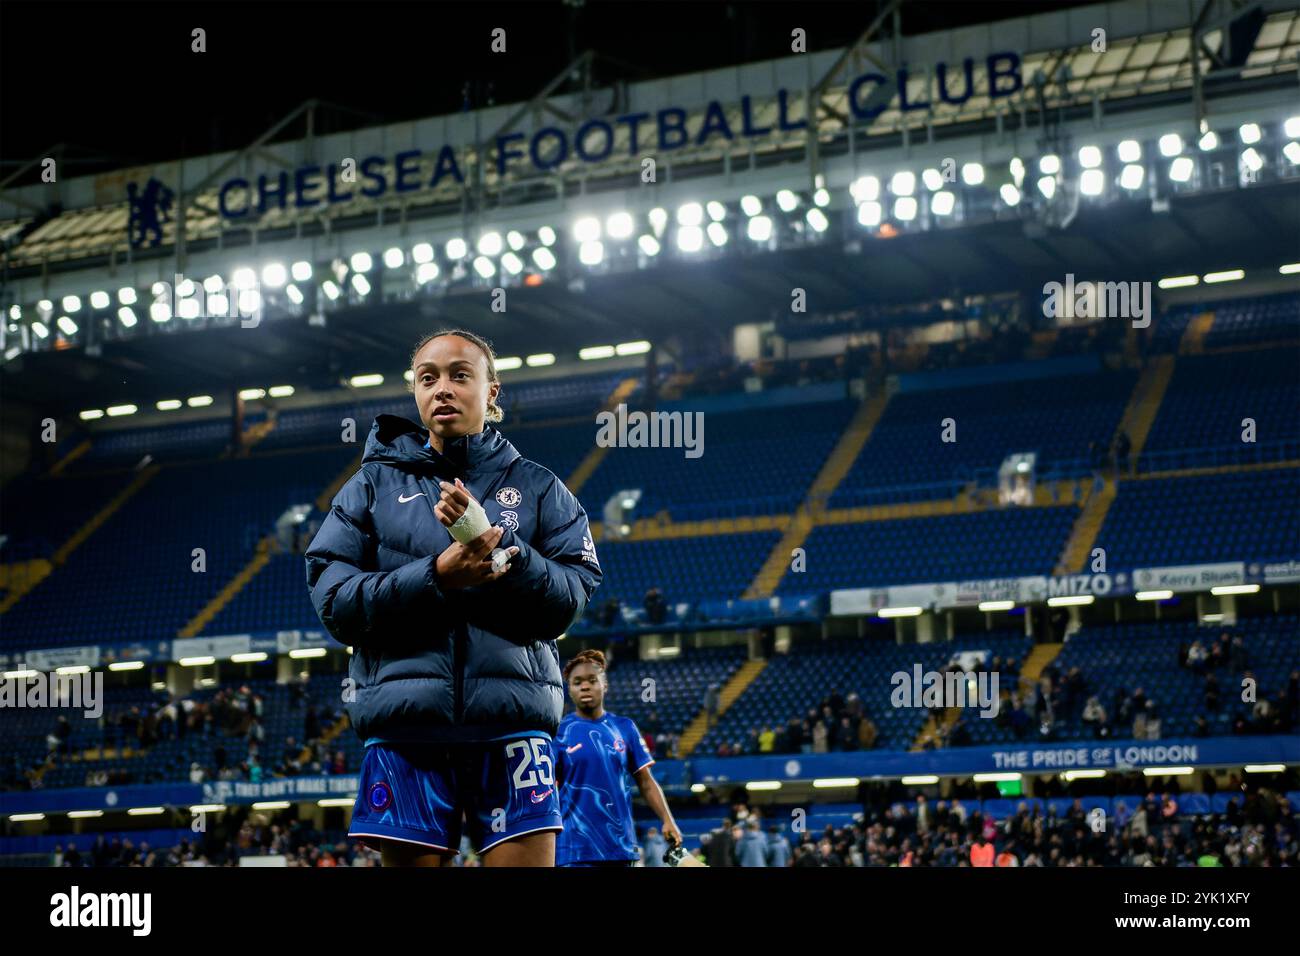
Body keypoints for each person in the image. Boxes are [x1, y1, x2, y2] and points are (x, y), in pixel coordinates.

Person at [305, 329, 602, 867]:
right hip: (407, 732)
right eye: (428, 377)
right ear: (416, 393)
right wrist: (436, 577)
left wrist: (498, 547)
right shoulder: (368, 487)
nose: (442, 388)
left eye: (460, 374)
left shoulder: (540, 488)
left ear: (492, 391)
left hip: (514, 727)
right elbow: (336, 605)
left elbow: (570, 600)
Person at [554, 650, 682, 867]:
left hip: (620, 848)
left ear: (605, 685)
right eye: (577, 682)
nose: (585, 686)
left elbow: (646, 781)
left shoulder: (624, 727)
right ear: (570, 689)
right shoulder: (559, 732)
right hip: (575, 850)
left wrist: (667, 819)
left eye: (592, 680)